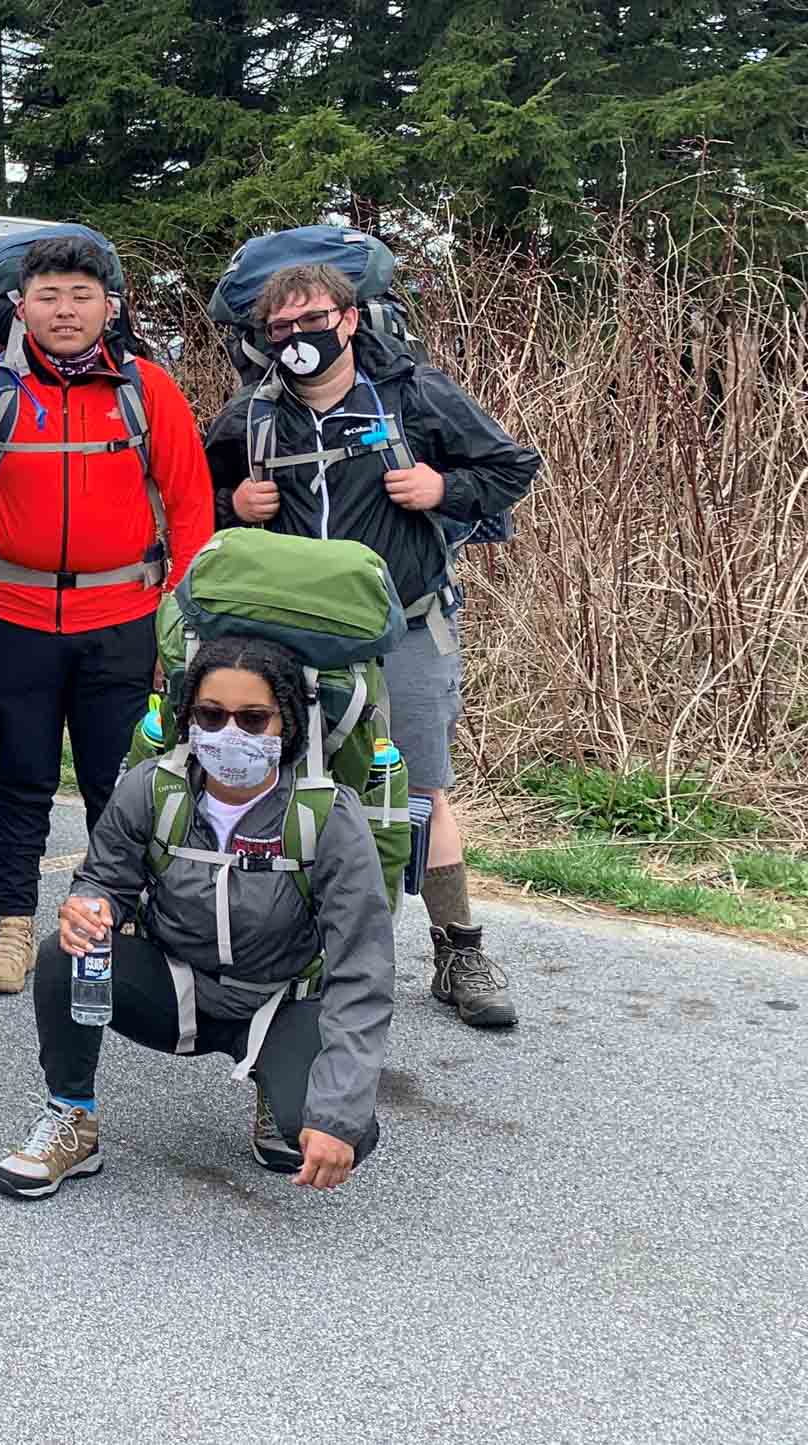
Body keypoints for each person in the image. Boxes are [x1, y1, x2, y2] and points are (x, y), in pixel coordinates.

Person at [206, 262, 540, 1028]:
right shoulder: (248, 420)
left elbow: (510, 466)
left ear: (350, 319)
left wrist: (440, 489)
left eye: (312, 320)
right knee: (281, 787)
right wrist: (233, 503)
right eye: (280, 329)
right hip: (286, 641)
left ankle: (459, 950)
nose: (297, 339)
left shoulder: (414, 396)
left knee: (421, 788)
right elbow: (191, 496)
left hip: (406, 627)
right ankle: (283, 945)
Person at [0, 635, 394, 1199]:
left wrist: (338, 1115)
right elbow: (104, 878)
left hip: (284, 1000)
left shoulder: (326, 816)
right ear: (189, 718)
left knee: (329, 1128)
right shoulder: (152, 789)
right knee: (67, 954)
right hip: (179, 992)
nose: (231, 733)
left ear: (289, 725)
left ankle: (274, 1085)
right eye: (211, 715)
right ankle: (72, 1118)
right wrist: (90, 906)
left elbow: (363, 969)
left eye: (254, 720)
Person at [0, 233, 215, 998]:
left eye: (81, 296)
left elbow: (191, 510)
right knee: (18, 777)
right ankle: (13, 924)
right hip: (10, 619)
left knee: (114, 786)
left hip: (122, 618)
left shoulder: (146, 390)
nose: (65, 310)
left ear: (108, 307)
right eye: (48, 296)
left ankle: (116, 922)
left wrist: (177, 629)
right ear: (21, 306)